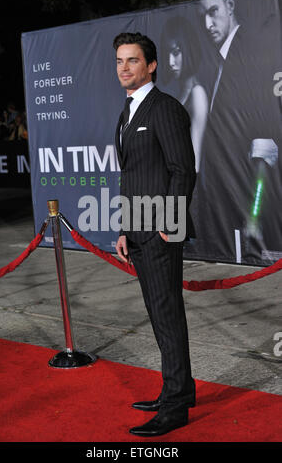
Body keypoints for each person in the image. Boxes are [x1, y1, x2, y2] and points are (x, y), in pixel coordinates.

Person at [113, 32, 196, 437]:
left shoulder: (165, 109)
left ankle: (177, 406)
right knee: (158, 317)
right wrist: (126, 229)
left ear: (151, 65)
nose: (124, 68)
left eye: (132, 60)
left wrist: (169, 223)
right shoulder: (128, 112)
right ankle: (174, 391)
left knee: (168, 318)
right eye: (119, 61)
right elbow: (132, 176)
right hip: (140, 232)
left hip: (162, 232)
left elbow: (183, 170)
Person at [197, 0, 281, 263]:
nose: (209, 23)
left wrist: (253, 216)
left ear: (230, 6)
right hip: (227, 215)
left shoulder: (249, 50)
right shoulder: (221, 60)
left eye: (214, 12)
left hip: (252, 221)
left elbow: (265, 147)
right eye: (203, 17)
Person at [160, 16, 208, 173]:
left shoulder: (197, 94)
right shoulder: (181, 95)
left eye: (176, 53)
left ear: (188, 50)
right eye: (168, 54)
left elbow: (194, 164)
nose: (170, 62)